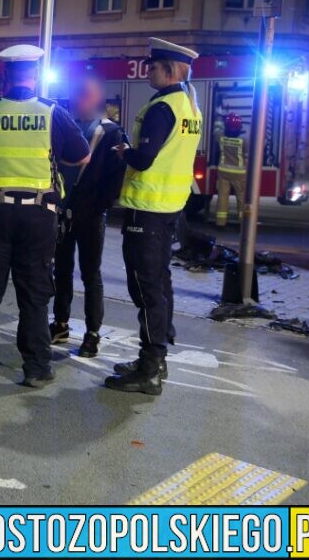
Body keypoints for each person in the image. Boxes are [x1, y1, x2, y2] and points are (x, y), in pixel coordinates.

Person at [0, 45, 90, 388]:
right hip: (38, 216)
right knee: (34, 295)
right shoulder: (52, 112)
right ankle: (36, 368)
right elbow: (81, 155)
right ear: (35, 76)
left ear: (5, 76)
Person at [107, 38, 202, 395]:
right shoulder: (190, 104)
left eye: (152, 66)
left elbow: (144, 159)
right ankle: (156, 357)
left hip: (146, 211)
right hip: (170, 209)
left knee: (146, 289)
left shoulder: (163, 107)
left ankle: (149, 368)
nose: (147, 70)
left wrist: (125, 152)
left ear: (170, 70)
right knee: (160, 283)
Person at [49, 76, 126, 358]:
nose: (76, 101)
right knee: (62, 270)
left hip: (92, 214)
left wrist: (100, 206)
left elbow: (115, 178)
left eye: (83, 95)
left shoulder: (112, 133)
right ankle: (60, 323)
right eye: (75, 95)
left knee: (91, 274)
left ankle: (93, 334)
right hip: (64, 211)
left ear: (96, 100)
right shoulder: (66, 126)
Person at [215, 112, 247, 228]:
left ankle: (220, 223)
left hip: (223, 173)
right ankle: (243, 224)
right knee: (242, 199)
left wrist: (219, 116)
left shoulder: (221, 138)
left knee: (222, 198)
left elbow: (217, 129)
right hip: (240, 175)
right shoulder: (244, 141)